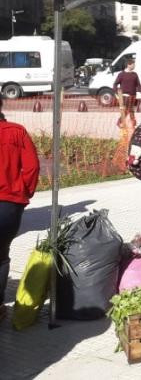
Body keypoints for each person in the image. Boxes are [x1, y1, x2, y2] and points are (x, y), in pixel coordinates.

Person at [0, 98, 39, 320]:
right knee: (1, 256)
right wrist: (23, 193)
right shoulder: (17, 132)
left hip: (10, 201)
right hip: (8, 205)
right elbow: (32, 167)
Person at [113, 57, 141, 128]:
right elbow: (115, 84)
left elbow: (138, 84)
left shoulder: (135, 74)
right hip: (125, 95)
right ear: (129, 65)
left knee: (131, 109)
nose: (134, 66)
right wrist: (117, 93)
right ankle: (121, 122)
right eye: (133, 64)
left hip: (133, 95)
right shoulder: (121, 74)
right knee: (127, 110)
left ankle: (132, 123)